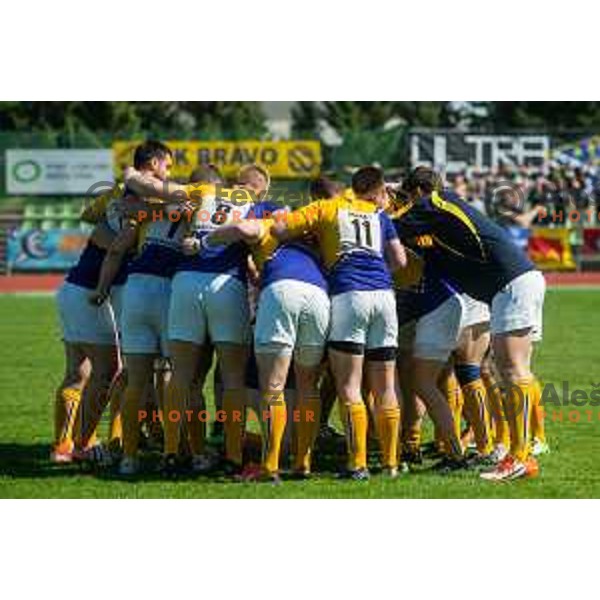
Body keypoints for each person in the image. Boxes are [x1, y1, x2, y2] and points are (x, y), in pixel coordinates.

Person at [398, 166, 545, 481]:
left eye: (408, 197)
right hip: (518, 282)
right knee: (514, 370)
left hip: (511, 284)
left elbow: (391, 226)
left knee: (512, 370)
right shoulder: (446, 209)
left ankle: (520, 456)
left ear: (417, 193)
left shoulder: (433, 203)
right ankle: (525, 448)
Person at [124, 163, 268, 476]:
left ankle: (172, 454)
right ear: (261, 188)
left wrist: (133, 176)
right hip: (226, 284)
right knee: (232, 378)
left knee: (181, 376)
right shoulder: (255, 203)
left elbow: (160, 190)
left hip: (186, 281)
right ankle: (232, 456)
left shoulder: (204, 190)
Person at [272, 166, 406, 479]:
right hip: (385, 297)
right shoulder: (378, 214)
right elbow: (399, 260)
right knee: (385, 386)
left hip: (349, 295)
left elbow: (280, 230)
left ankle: (357, 464)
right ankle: (391, 464)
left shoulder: (325, 207)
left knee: (349, 387)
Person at [203, 201, 330, 481]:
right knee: (309, 385)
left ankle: (269, 466)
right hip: (319, 295)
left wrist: (206, 239)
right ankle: (303, 462)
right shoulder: (309, 235)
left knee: (272, 386)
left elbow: (240, 227)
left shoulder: (270, 224)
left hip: (282, 292)